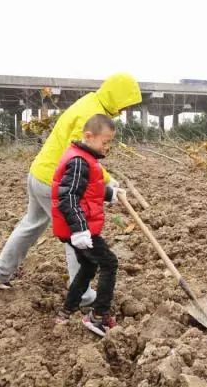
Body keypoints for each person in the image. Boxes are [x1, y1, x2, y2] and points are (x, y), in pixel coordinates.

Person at [0, 73, 141, 306]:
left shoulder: (90, 103)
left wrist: (107, 180)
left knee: (31, 224)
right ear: (116, 96)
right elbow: (82, 156)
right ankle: (84, 296)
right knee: (77, 235)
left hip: (39, 173)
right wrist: (107, 182)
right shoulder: (91, 114)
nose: (125, 109)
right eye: (125, 103)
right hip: (54, 182)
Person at [53, 114, 124, 336]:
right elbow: (68, 197)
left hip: (77, 227)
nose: (107, 146)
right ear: (88, 136)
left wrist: (110, 193)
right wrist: (80, 228)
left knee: (88, 266)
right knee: (109, 263)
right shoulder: (78, 161)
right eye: (105, 141)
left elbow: (88, 189)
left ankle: (66, 312)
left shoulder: (85, 158)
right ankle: (99, 316)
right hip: (79, 229)